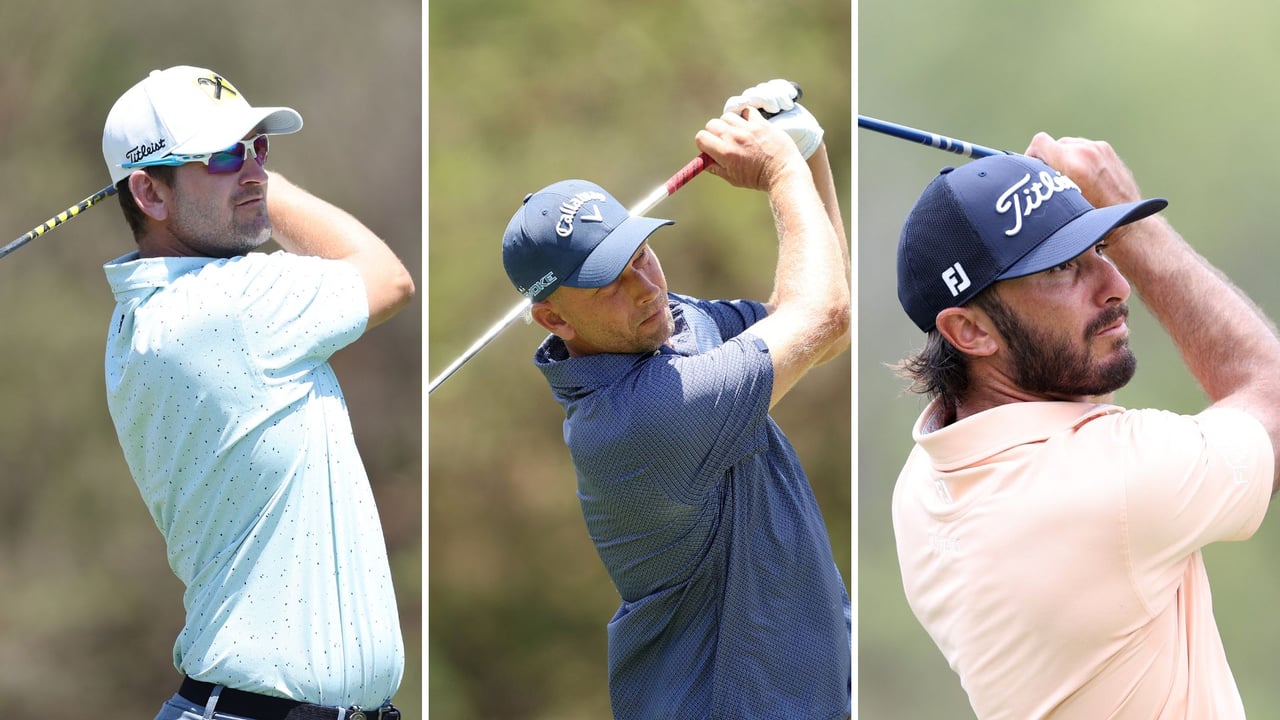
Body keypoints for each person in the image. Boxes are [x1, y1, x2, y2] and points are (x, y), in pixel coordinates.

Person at [891, 134, 1280, 718]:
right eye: (1062, 268)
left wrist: (1047, 206)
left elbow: (1076, 385)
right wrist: (1131, 220)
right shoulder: (1110, 482)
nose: (1116, 284)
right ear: (969, 331)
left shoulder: (925, 480)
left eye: (1100, 246)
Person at [500, 79, 851, 719]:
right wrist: (777, 169)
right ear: (554, 319)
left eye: (641, 253)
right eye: (608, 281)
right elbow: (821, 313)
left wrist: (806, 148)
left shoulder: (670, 326)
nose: (645, 287)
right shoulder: (637, 422)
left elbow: (823, 323)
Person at [99, 65, 414, 720]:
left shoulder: (148, 314)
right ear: (149, 195)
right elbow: (387, 278)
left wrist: (235, 174)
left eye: (258, 148)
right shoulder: (227, 307)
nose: (252, 171)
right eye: (220, 154)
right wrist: (269, 188)